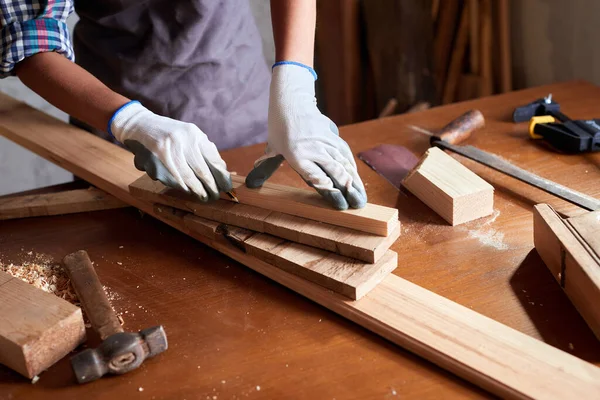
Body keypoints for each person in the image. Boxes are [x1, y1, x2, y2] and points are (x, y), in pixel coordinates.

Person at [1, 0, 367, 210]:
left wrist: (295, 88)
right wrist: (130, 122)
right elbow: (28, 39)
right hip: (113, 113)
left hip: (237, 89)